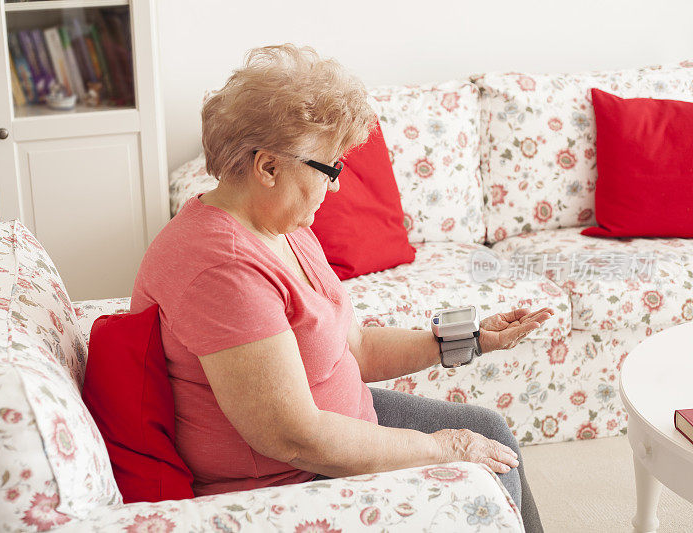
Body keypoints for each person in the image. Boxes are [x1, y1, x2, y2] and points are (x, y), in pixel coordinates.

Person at [131, 43, 549, 532]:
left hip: (341, 427)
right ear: (268, 167)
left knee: (489, 433)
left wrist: (471, 339)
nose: (334, 187)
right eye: (329, 168)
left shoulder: (283, 227)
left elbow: (359, 349)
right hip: (288, 482)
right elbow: (294, 436)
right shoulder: (222, 269)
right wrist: (444, 450)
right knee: (480, 467)